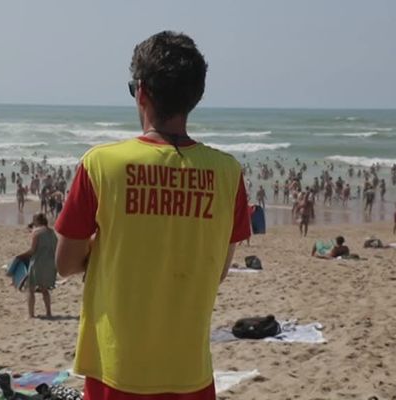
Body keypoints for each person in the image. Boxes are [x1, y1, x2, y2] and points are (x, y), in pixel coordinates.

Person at [54, 31, 250, 400]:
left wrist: (111, 248)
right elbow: (219, 268)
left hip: (116, 368)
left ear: (141, 92)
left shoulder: (100, 164)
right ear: (196, 97)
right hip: (190, 370)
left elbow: (64, 263)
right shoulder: (228, 173)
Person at [17, 213, 58, 319]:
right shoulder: (52, 232)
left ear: (36, 221)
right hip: (50, 263)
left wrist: (21, 256)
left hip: (38, 263)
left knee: (30, 288)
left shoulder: (36, 232)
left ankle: (31, 314)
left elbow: (32, 250)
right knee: (45, 289)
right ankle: (48, 312)